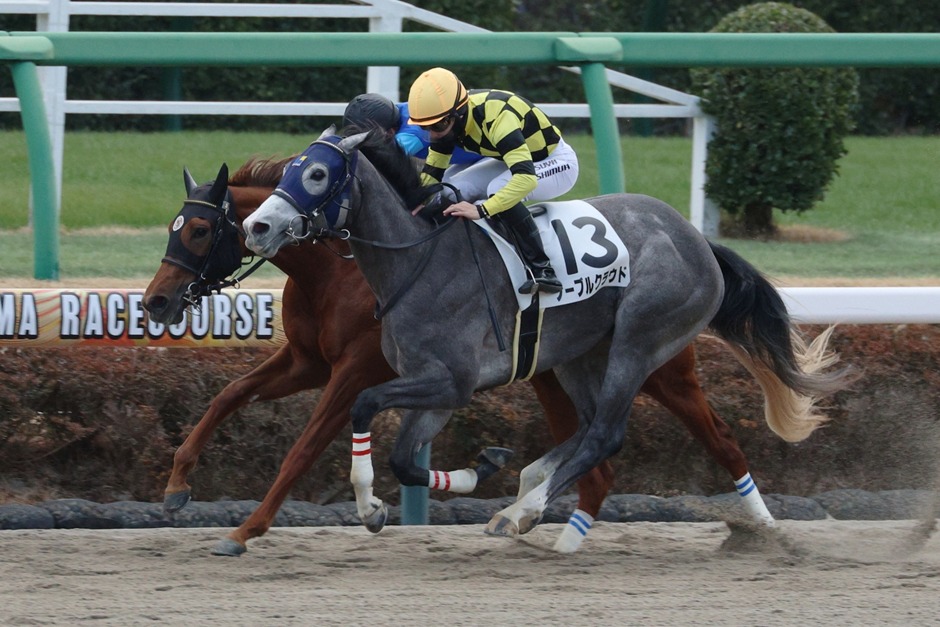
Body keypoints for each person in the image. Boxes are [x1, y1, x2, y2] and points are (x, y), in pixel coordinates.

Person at [406, 67, 579, 294]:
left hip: (556, 162)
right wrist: (414, 203)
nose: (433, 135)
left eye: (437, 126)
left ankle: (543, 269)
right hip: (513, 159)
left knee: (497, 189)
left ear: (458, 114)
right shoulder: (449, 122)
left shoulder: (498, 117)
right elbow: (432, 176)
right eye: (424, 127)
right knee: (453, 189)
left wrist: (482, 210)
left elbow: (525, 179)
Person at [342, 93, 482, 176]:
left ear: (390, 133)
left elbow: (379, 164)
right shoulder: (394, 111)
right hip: (471, 157)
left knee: (455, 190)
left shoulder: (413, 134)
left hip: (493, 155)